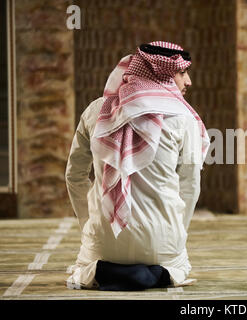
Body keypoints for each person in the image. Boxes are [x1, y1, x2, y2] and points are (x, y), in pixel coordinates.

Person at [65, 41, 210, 291]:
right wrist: (177, 233)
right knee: (177, 264)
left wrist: (90, 226)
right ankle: (158, 272)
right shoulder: (184, 119)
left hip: (102, 244)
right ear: (162, 74)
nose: (189, 82)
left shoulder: (95, 111)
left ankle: (106, 271)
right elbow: (191, 185)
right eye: (182, 72)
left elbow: (74, 176)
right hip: (163, 245)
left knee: (86, 264)